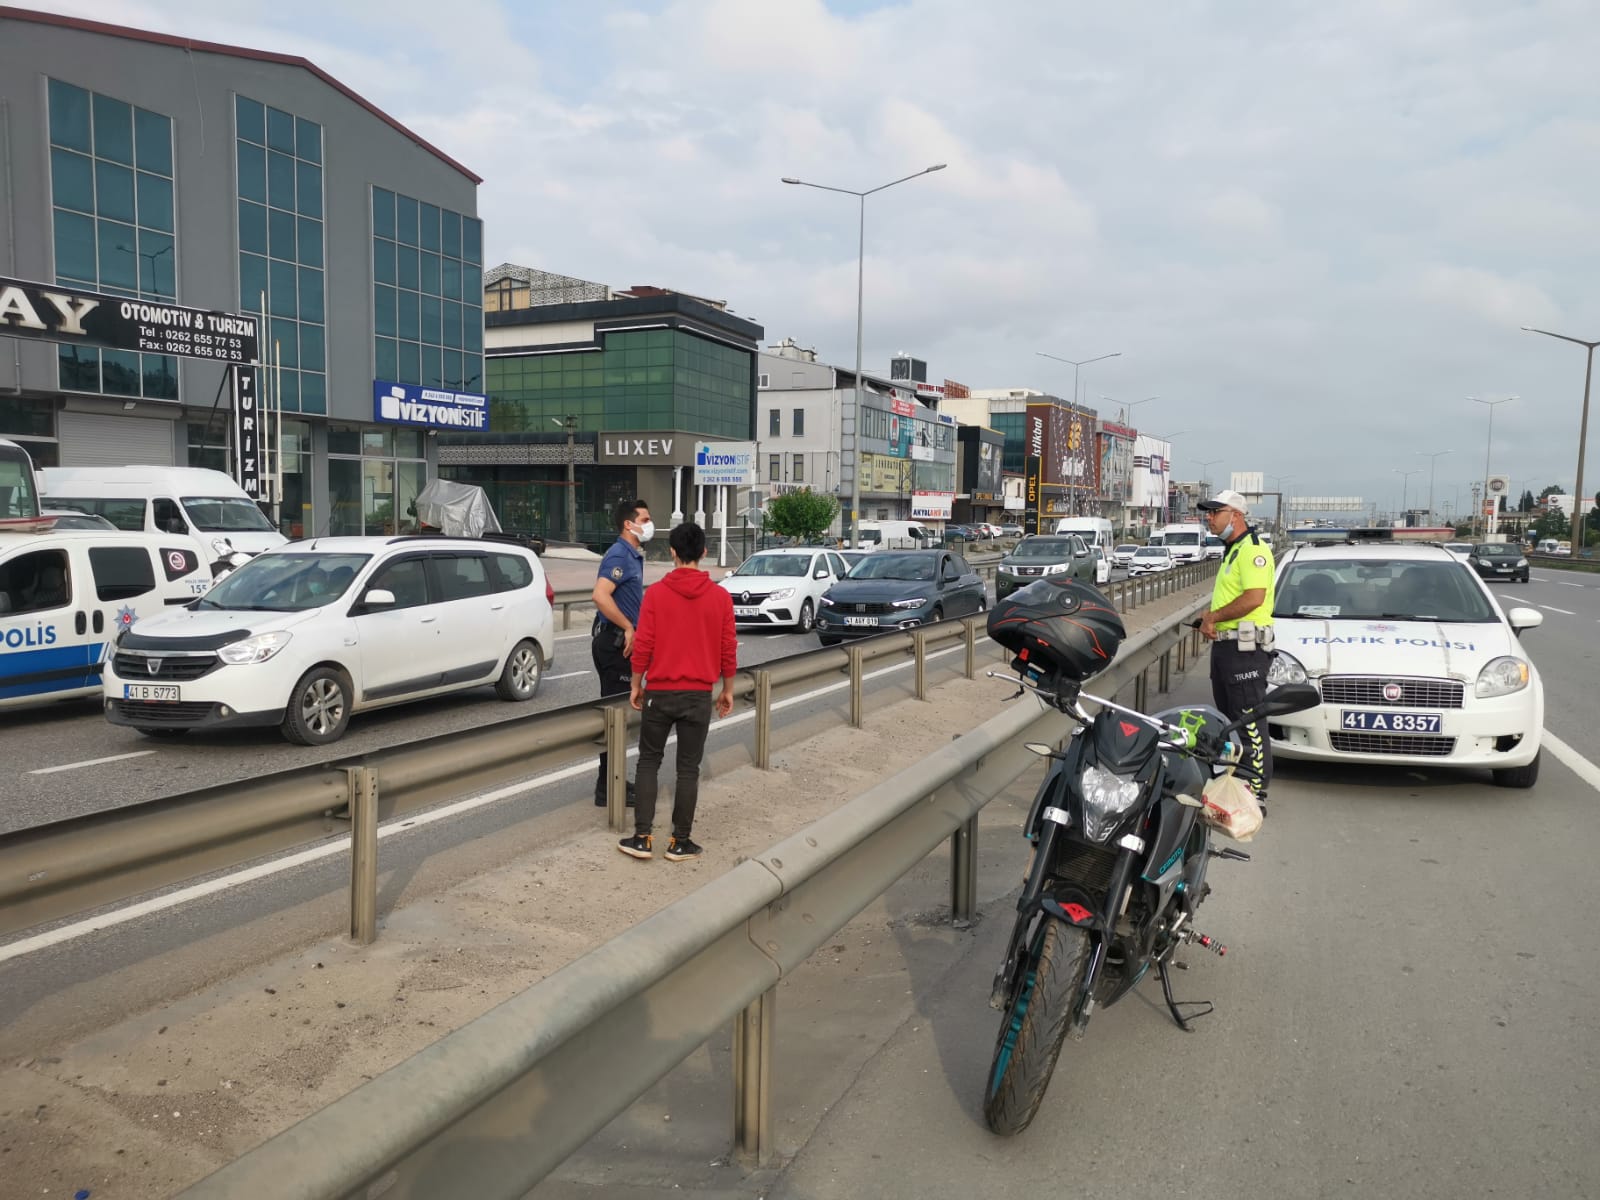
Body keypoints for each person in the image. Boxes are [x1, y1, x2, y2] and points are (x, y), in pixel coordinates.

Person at [617, 521, 736, 862]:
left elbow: (644, 645)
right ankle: (680, 842)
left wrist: (637, 684)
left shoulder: (654, 594)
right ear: (703, 552)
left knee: (649, 762)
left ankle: (642, 838)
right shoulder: (720, 597)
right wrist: (727, 690)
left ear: (671, 551)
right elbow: (728, 648)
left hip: (660, 692)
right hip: (698, 695)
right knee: (688, 768)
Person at [1195, 489, 1277, 811]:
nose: (1209, 518)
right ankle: (1237, 787)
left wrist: (1214, 616)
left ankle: (1255, 793)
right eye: (1209, 513)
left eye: (1216, 512)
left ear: (1236, 515)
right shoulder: (1233, 550)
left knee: (1249, 723)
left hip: (1247, 650)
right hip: (1228, 648)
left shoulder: (1253, 550)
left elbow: (1254, 598)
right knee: (1231, 721)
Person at [591, 498, 652, 807]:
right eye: (645, 519)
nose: (649, 524)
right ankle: (607, 789)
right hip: (615, 645)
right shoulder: (619, 554)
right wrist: (629, 627)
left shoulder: (631, 555)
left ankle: (610, 782)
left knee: (620, 716)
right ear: (629, 524)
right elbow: (600, 596)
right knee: (616, 717)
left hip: (621, 644)